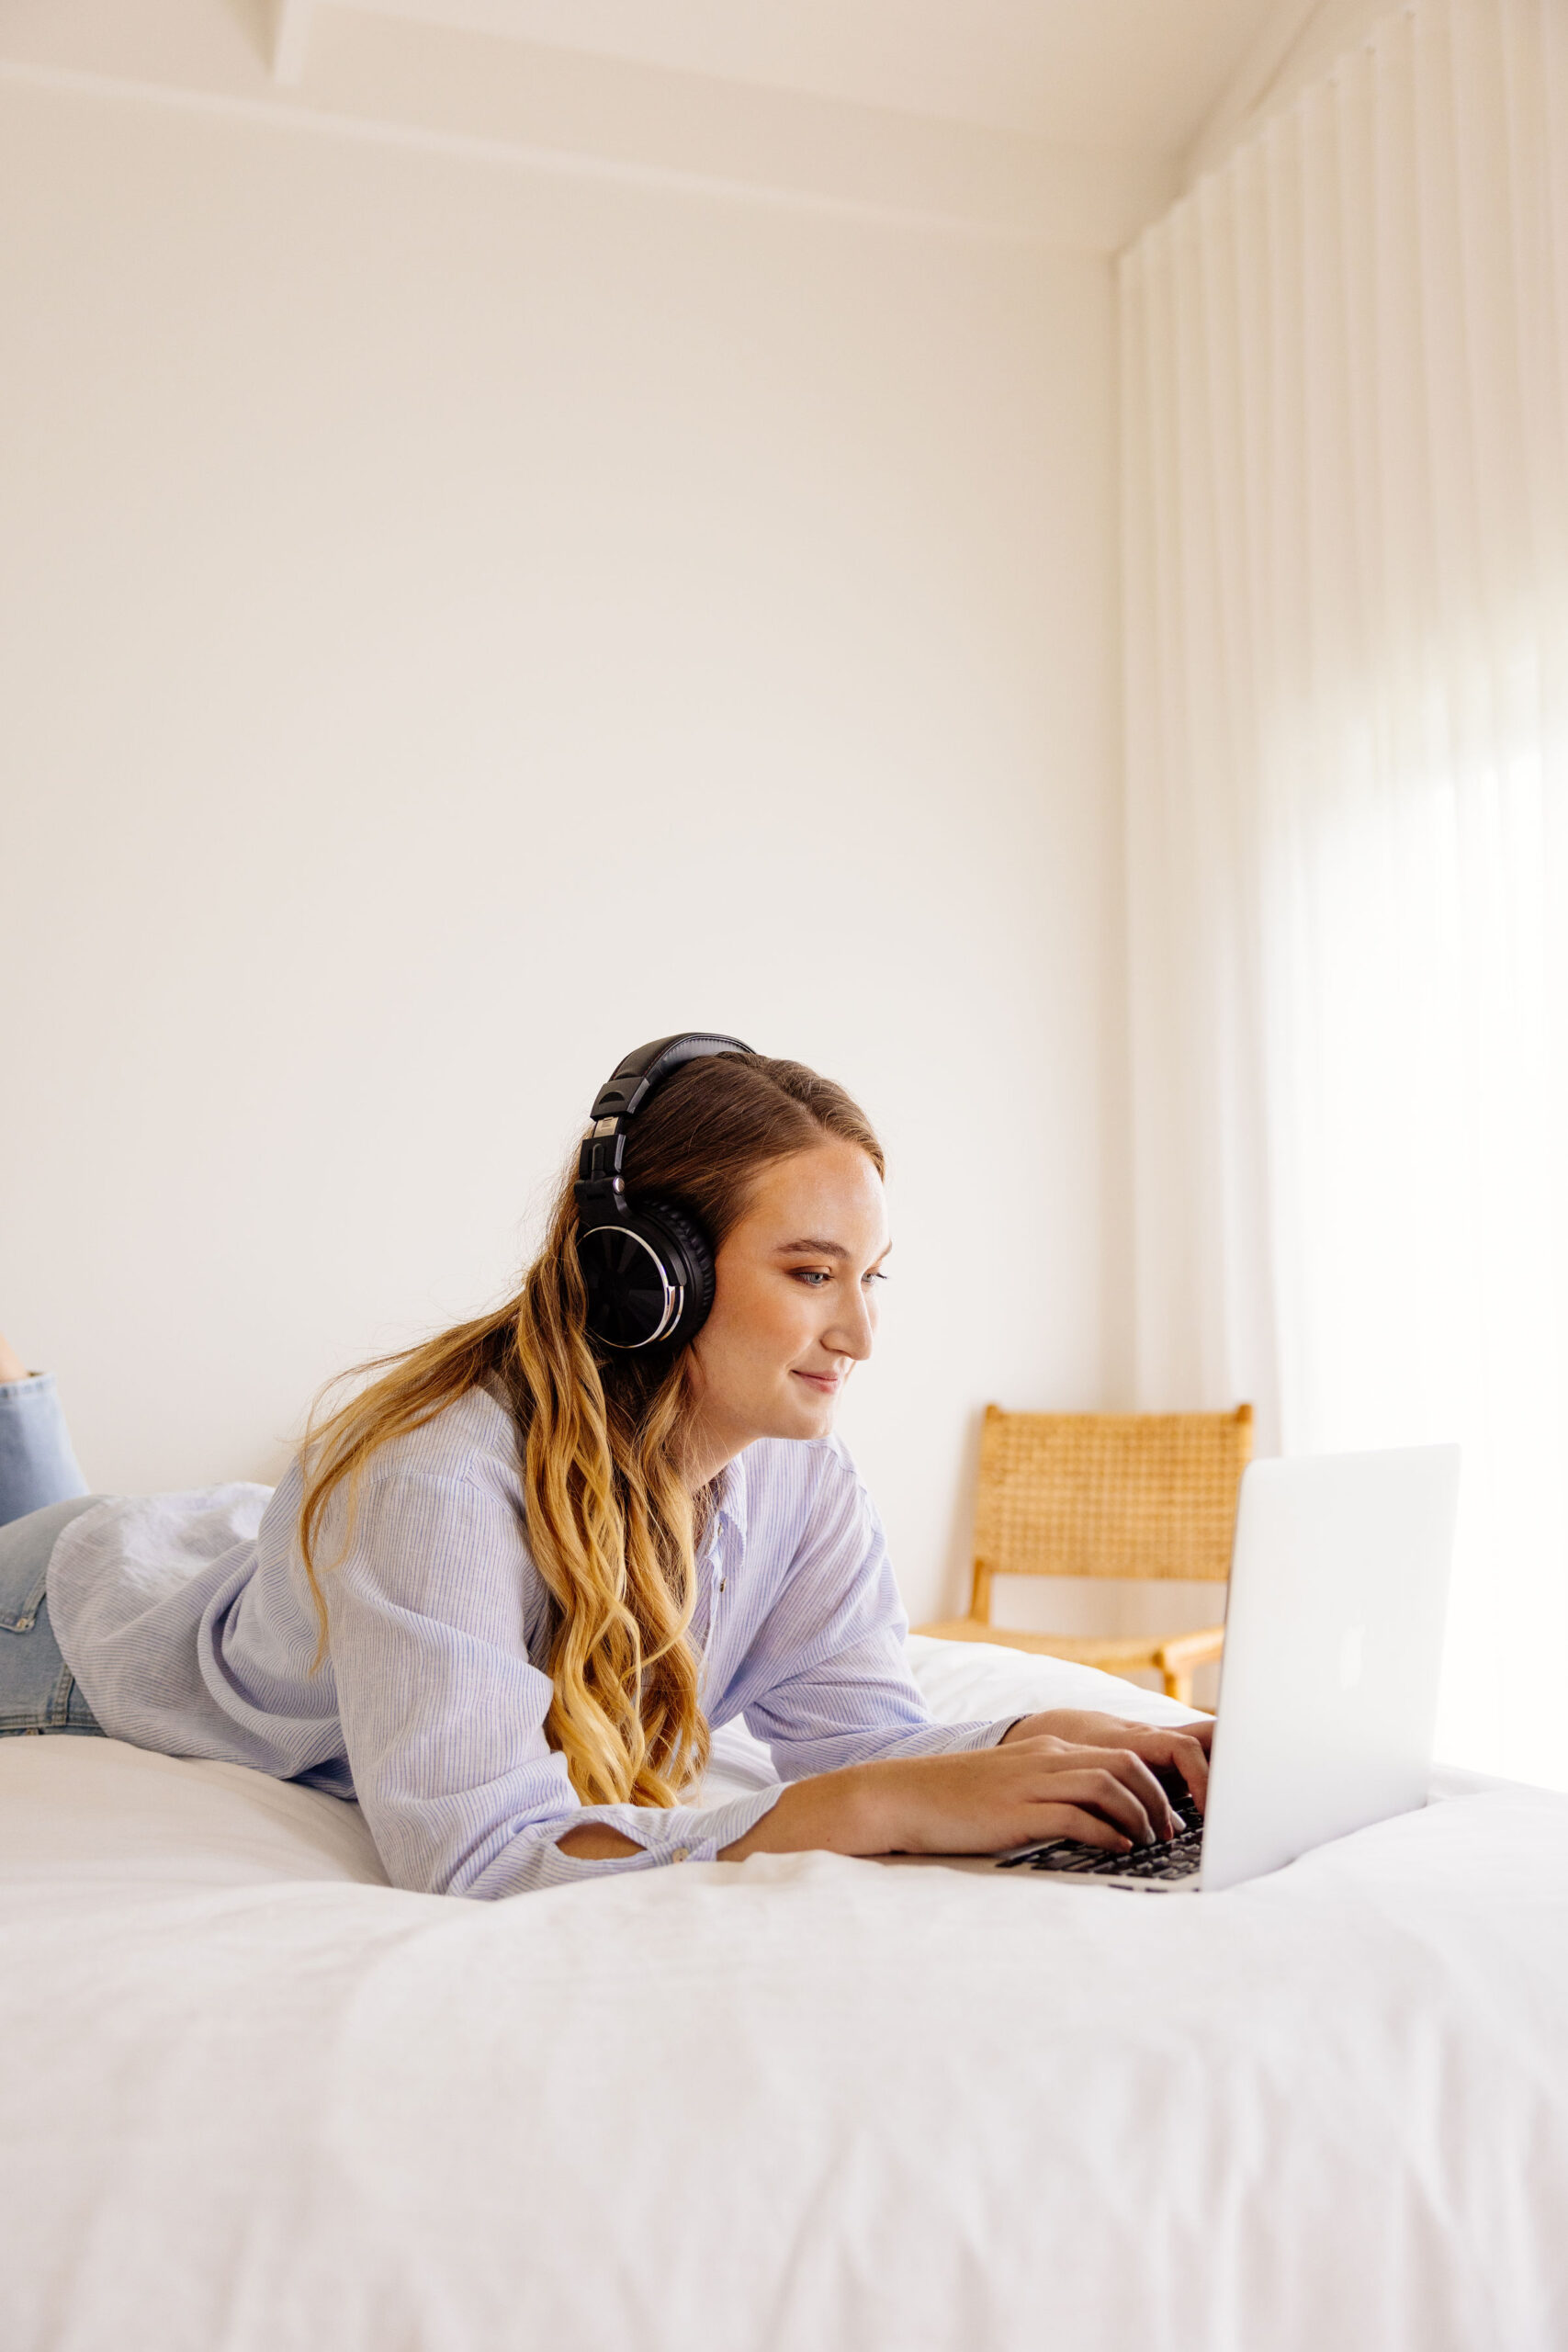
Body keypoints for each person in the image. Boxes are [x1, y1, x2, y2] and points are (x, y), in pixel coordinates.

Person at [0, 1037, 1210, 1896]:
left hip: (244, 1559)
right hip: (58, 1617)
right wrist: (839, 1818)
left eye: (869, 1275)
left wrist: (1050, 1743)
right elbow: (477, 1853)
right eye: (808, 1273)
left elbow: (860, 1741)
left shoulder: (802, 1479)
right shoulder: (434, 1481)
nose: (859, 1335)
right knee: (46, 1517)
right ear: (650, 1275)